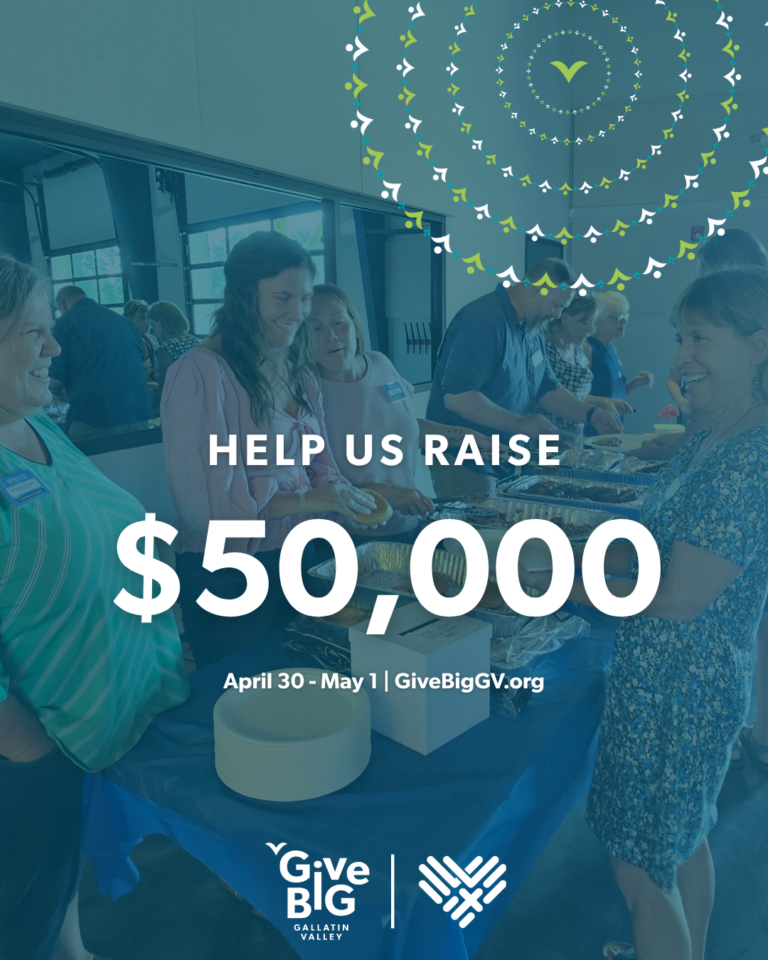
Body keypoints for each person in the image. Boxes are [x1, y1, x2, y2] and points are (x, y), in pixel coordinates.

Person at [522, 266, 768, 960]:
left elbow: (680, 594)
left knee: (638, 870)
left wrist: (560, 580)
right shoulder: (717, 431)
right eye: (680, 338)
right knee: (682, 842)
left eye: (701, 339)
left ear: (760, 344)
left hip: (677, 693)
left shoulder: (752, 456)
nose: (682, 356)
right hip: (678, 681)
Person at [0, 257, 189, 960]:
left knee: (51, 887)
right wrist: (25, 744)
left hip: (86, 718)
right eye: (35, 332)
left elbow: (87, 516)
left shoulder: (38, 428)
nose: (55, 349)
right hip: (31, 744)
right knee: (20, 909)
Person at [161, 232, 376, 669]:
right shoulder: (201, 373)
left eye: (303, 298)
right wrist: (315, 499)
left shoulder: (298, 373)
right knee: (244, 694)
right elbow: (211, 510)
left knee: (311, 679)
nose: (297, 314)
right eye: (283, 298)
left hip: (301, 557)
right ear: (243, 294)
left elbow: (322, 467)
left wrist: (351, 501)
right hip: (232, 572)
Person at [310, 284, 507, 540]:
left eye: (338, 322)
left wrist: (464, 437)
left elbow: (403, 425)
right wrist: (383, 492)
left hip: (409, 523)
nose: (331, 335)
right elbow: (312, 483)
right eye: (315, 328)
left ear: (354, 324)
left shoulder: (380, 363)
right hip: (352, 537)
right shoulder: (307, 391)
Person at [426, 260, 622, 497]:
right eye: (557, 305)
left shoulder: (532, 328)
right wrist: (521, 424)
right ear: (537, 290)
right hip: (465, 458)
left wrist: (591, 414)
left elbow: (547, 389)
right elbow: (457, 398)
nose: (557, 314)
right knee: (474, 532)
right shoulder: (482, 321)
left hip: (507, 457)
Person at [51, 286, 154, 443]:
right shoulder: (126, 323)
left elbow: (54, 381)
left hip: (94, 417)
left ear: (63, 304)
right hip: (138, 415)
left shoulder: (64, 323)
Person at [543, 293, 628, 445]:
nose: (590, 330)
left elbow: (577, 394)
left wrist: (601, 403)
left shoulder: (577, 350)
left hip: (576, 438)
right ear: (565, 318)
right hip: (548, 438)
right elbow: (547, 395)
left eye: (592, 322)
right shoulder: (545, 350)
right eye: (584, 322)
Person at [583, 291, 653, 436]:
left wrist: (634, 384)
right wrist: (603, 403)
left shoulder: (611, 348)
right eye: (619, 317)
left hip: (612, 429)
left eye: (626, 316)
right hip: (593, 430)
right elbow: (572, 397)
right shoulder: (587, 348)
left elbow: (611, 395)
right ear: (600, 319)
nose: (625, 322)